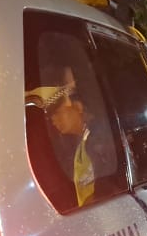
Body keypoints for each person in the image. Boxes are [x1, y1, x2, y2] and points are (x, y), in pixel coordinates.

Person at [26, 67, 97, 206]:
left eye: (57, 112)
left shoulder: (101, 140)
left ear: (78, 107)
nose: (53, 120)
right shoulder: (75, 144)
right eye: (50, 116)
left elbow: (107, 189)